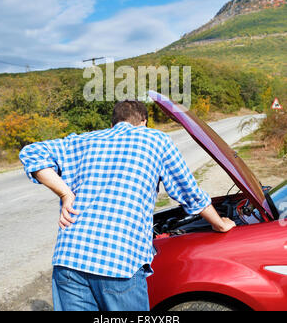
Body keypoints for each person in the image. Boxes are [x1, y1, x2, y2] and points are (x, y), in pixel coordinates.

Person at [19, 100, 235, 312]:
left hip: (70, 259)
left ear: (112, 124)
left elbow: (30, 153)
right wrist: (219, 224)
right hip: (119, 260)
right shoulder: (155, 139)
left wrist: (65, 193)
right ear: (144, 122)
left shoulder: (83, 140)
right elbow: (189, 192)